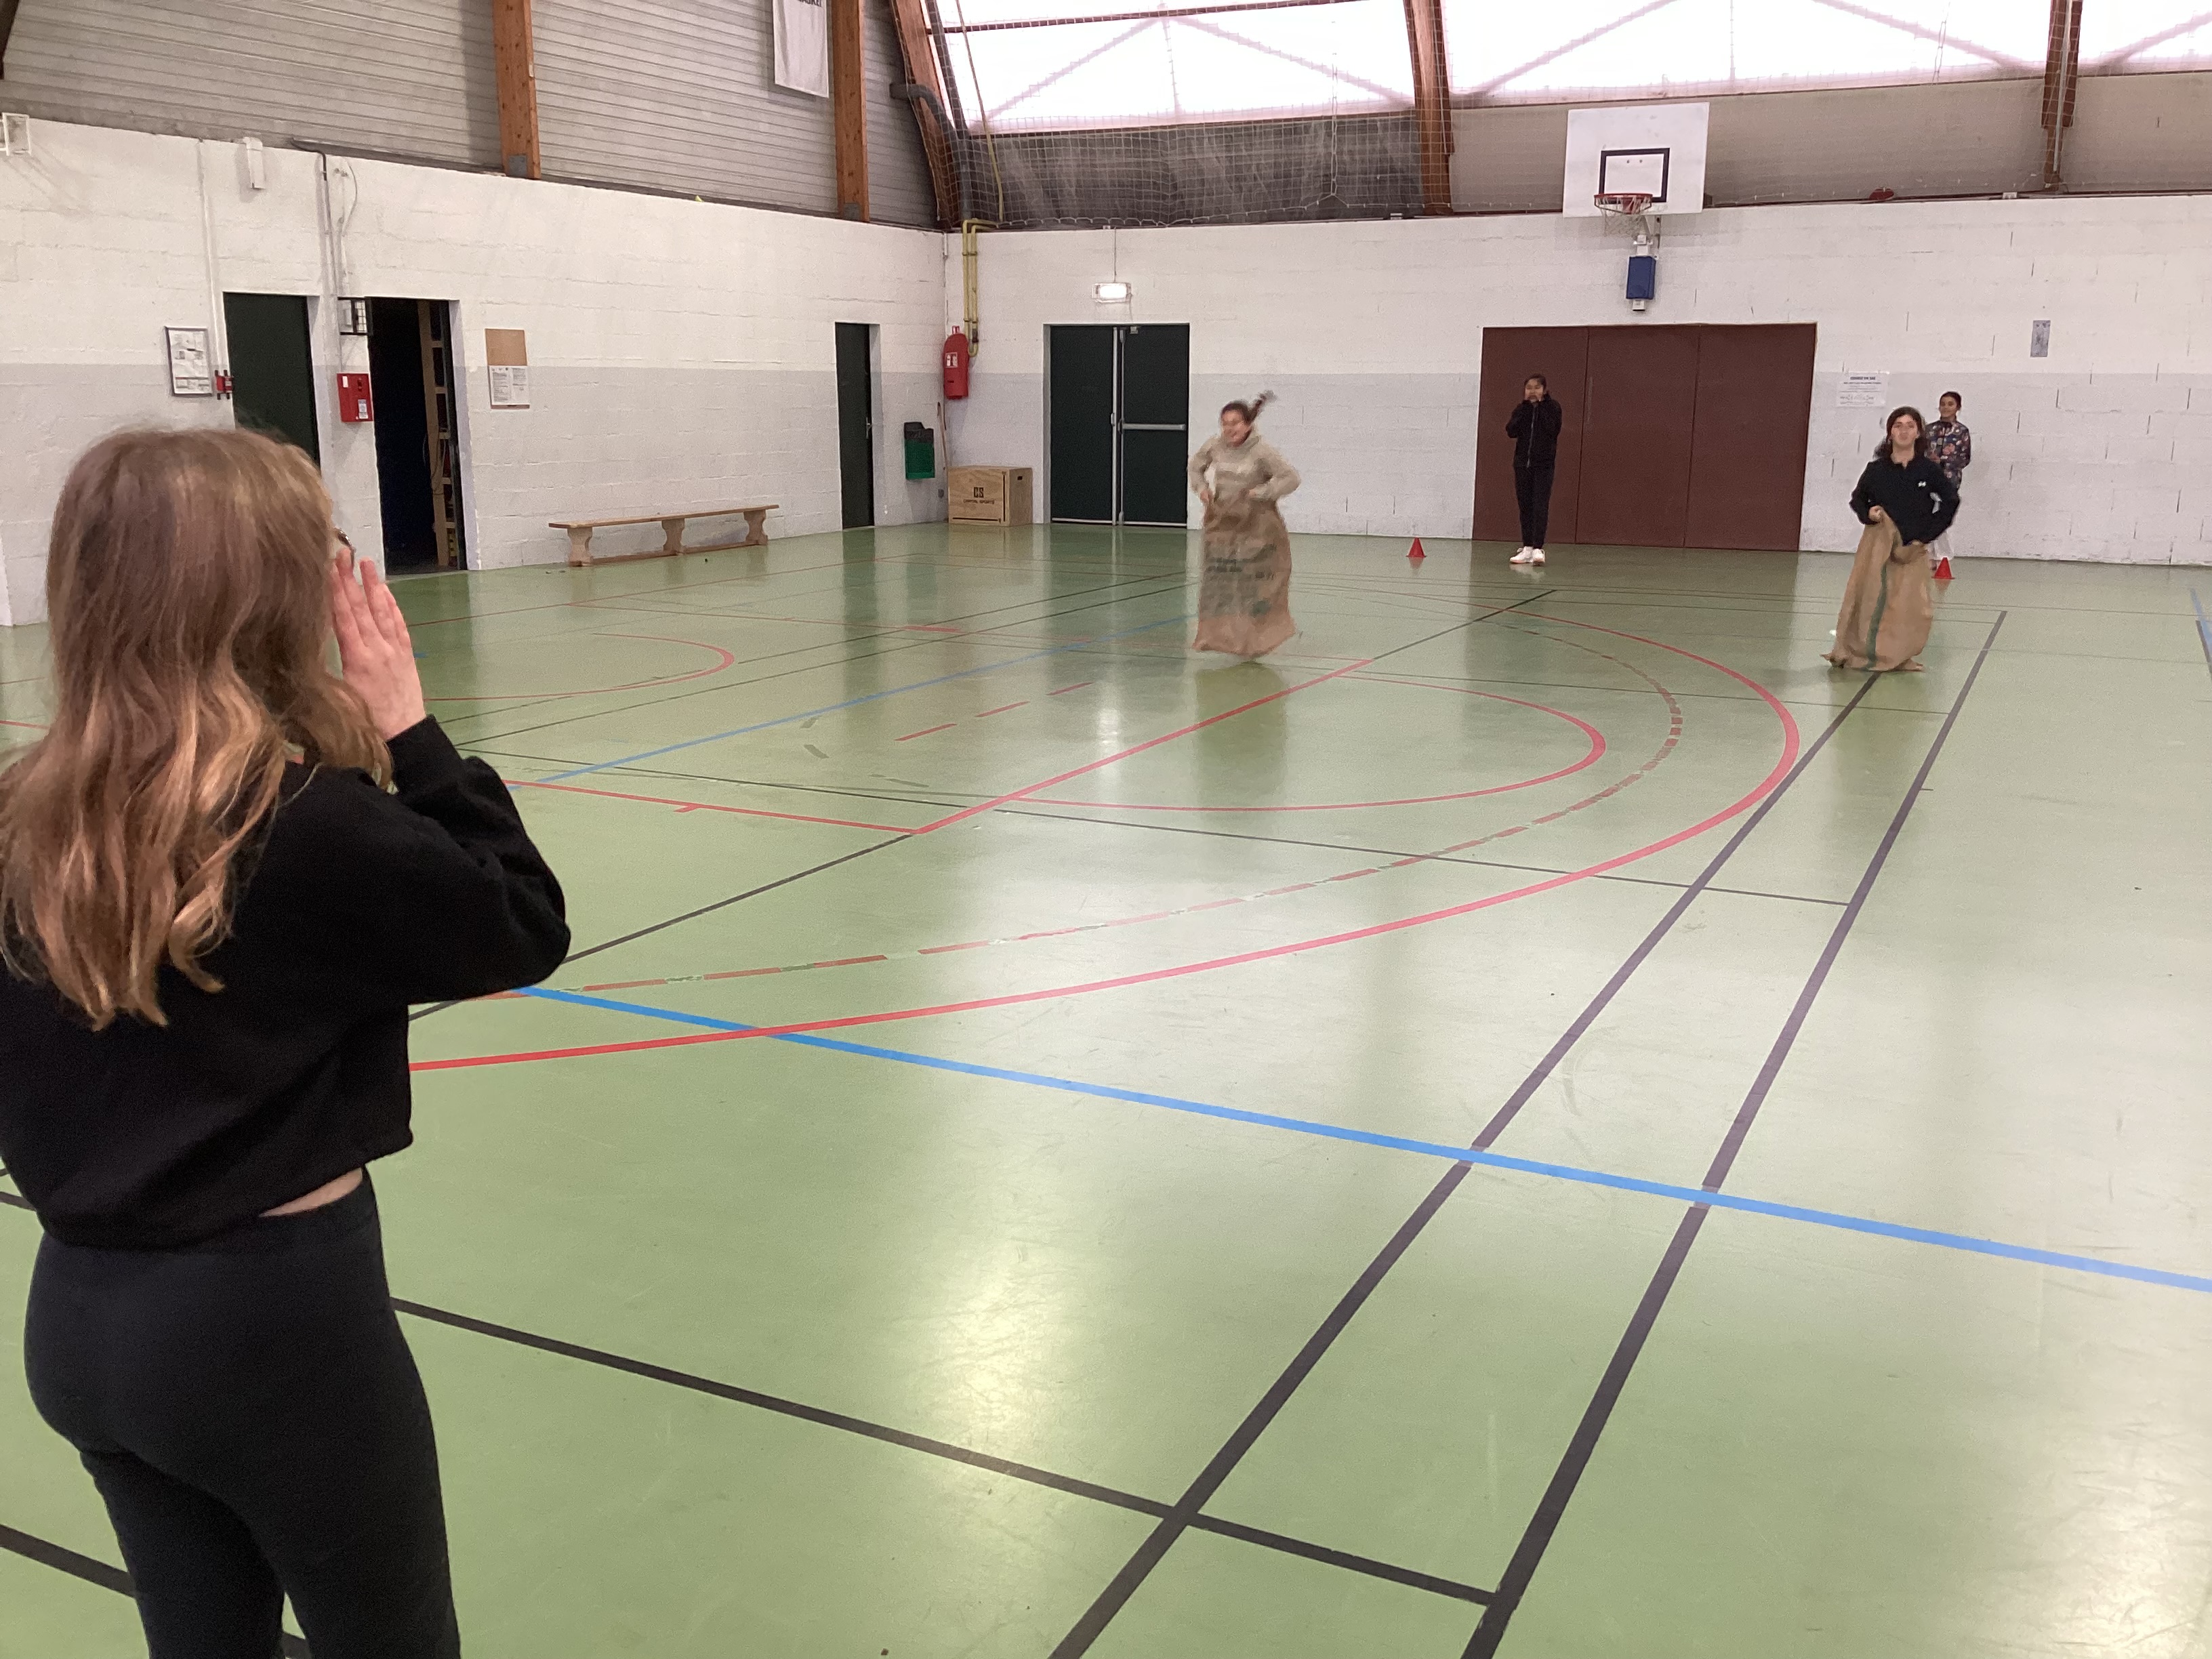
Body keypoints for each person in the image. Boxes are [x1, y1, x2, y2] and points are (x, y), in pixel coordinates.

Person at [0, 428, 569, 1658]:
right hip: (272, 1330)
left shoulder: (20, 821)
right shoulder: (305, 826)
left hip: (80, 1323)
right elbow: (522, 922)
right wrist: (410, 729)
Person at [1826, 406, 1957, 672]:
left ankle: (1900, 655)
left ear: (1918, 432)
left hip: (1913, 548)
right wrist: (1868, 513)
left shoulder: (1928, 470)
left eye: (1910, 426)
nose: (1904, 431)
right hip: (1878, 547)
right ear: (1890, 433)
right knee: (1870, 600)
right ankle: (1862, 651)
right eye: (1898, 425)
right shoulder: (1877, 470)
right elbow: (1858, 499)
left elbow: (1950, 501)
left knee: (1910, 607)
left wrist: (1927, 534)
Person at [1188, 393, 1302, 658]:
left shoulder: (1262, 451)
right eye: (1225, 423)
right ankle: (1221, 638)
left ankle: (1259, 639)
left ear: (1248, 424)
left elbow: (1291, 478)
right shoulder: (1215, 446)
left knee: (1252, 585)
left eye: (1235, 423)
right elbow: (1195, 467)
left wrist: (1261, 492)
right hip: (1224, 525)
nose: (1230, 429)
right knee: (1222, 582)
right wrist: (1202, 489)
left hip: (1257, 526)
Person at [1505, 373, 1562, 566]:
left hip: (1543, 465)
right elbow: (1511, 431)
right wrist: (1526, 409)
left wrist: (1540, 408)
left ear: (1544, 390)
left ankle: (1538, 548)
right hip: (1523, 465)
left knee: (1540, 505)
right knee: (1525, 506)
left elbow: (1553, 430)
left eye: (1537, 388)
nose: (1532, 391)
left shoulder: (1553, 408)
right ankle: (1527, 547)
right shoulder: (1521, 409)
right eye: (1529, 388)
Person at [1924, 390, 1971, 579]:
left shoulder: (1962, 432)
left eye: (1950, 404)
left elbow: (1965, 458)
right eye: (1943, 404)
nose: (1945, 407)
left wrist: (1943, 461)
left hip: (1949, 480)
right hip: (1928, 479)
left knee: (1943, 516)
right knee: (1926, 514)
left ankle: (1943, 555)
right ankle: (1927, 554)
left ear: (1958, 407)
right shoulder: (1929, 430)